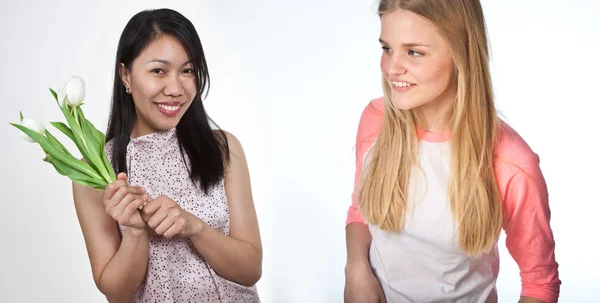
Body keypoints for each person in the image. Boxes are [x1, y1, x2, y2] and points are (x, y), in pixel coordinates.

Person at [343, 1, 560, 302]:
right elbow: (361, 209)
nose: (391, 68)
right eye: (387, 48)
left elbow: (539, 282)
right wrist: (355, 269)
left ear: (461, 53)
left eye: (414, 52)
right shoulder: (375, 121)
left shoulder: (509, 160)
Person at [72, 8, 262, 303]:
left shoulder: (223, 148)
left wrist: (195, 227)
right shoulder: (97, 171)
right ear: (126, 76)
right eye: (158, 70)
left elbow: (251, 268)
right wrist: (135, 232)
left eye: (187, 70)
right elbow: (117, 294)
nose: (175, 89)